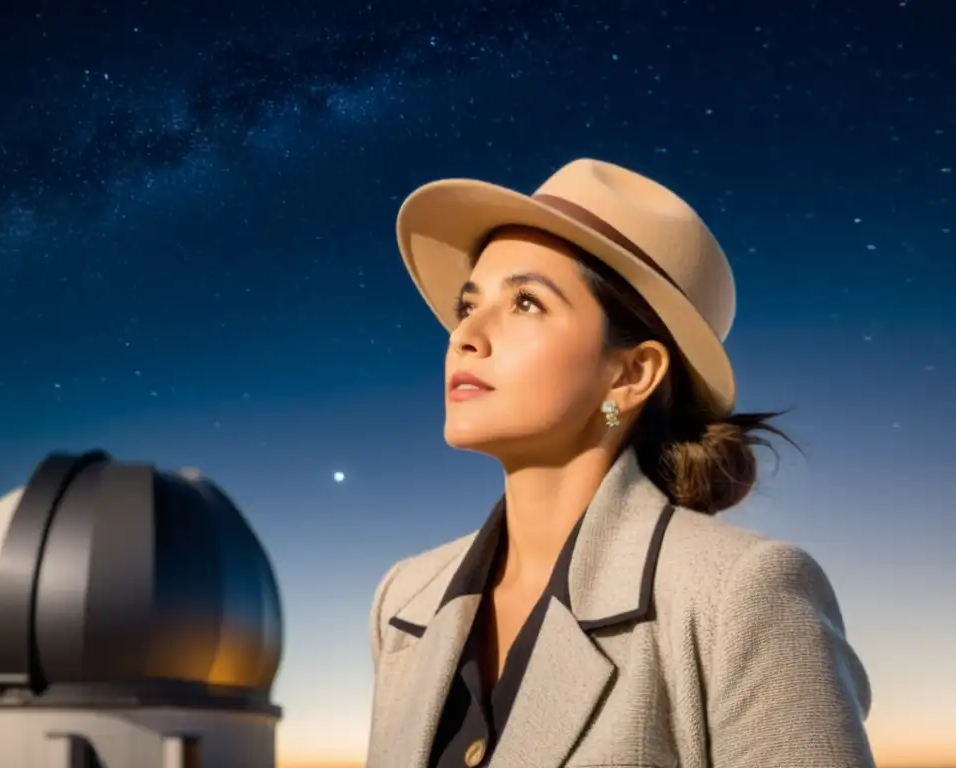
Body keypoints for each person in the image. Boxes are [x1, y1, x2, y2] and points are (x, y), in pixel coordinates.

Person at [365, 158, 874, 768]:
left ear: (631, 375)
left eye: (526, 302)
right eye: (468, 304)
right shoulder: (405, 600)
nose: (465, 335)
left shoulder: (740, 596)